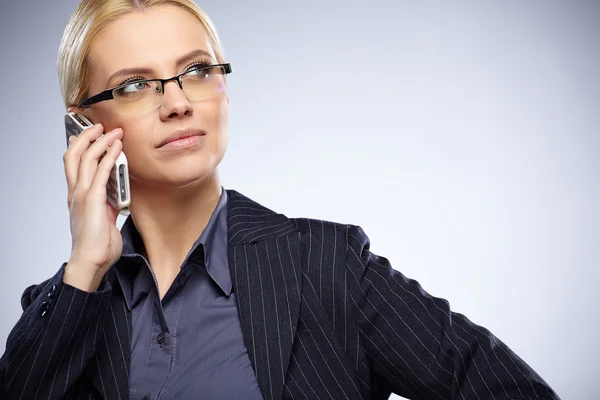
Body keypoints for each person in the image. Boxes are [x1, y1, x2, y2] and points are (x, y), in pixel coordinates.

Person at [0, 0, 560, 399]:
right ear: (85, 125)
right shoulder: (64, 305)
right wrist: (86, 267)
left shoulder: (326, 264)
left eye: (195, 71)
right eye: (134, 85)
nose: (176, 103)